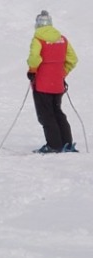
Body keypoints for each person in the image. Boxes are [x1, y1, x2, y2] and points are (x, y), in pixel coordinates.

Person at [27, 10, 79, 153]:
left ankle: (54, 145)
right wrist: (62, 73)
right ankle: (66, 144)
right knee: (57, 112)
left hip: (42, 83)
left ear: (37, 24)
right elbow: (73, 59)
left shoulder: (38, 39)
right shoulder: (62, 39)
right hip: (57, 84)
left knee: (46, 115)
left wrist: (32, 70)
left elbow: (34, 58)